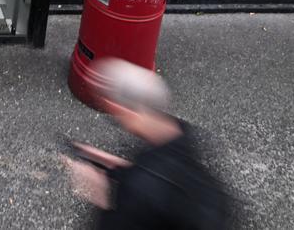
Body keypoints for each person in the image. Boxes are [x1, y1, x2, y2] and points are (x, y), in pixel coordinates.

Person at [63, 58, 231, 229]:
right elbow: (165, 173)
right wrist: (121, 169)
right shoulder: (183, 134)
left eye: (115, 115)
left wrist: (97, 193)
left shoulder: (138, 191)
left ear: (121, 109)